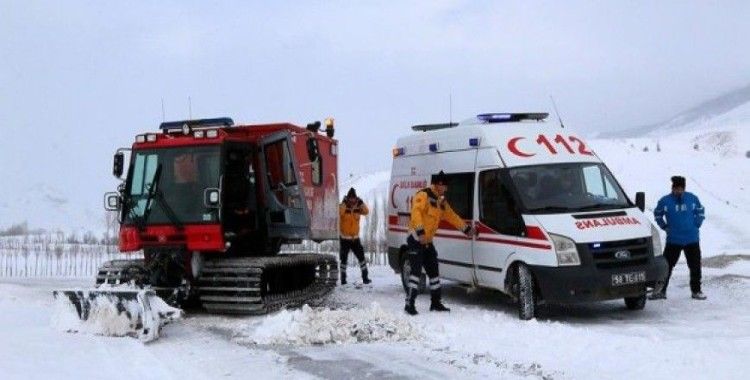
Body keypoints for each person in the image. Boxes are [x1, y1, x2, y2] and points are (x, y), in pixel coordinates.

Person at [404, 171, 477, 315]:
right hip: (416, 240)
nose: (447, 189)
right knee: (416, 273)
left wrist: (467, 229)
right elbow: (416, 213)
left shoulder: (440, 202)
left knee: (434, 272)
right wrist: (420, 232)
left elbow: (452, 216)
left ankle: (435, 303)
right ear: (439, 185)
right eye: (445, 186)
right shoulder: (423, 195)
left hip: (427, 242)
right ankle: (409, 304)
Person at [650, 175, 706, 300]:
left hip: (692, 239)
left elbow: (700, 211)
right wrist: (664, 226)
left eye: (681, 189)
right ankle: (660, 291)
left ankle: (696, 291)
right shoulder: (665, 201)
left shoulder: (692, 198)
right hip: (673, 240)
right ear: (672, 188)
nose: (678, 191)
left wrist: (697, 224)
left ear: (684, 189)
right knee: (666, 267)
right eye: (676, 189)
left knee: (695, 266)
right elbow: (657, 214)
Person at [339, 188, 370, 285]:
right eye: (350, 198)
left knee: (361, 258)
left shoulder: (358, 207)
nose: (352, 200)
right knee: (343, 259)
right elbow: (339, 212)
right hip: (344, 238)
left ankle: (365, 277)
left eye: (354, 198)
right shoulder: (343, 206)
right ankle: (343, 279)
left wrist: (361, 203)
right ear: (348, 198)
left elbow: (366, 211)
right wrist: (344, 203)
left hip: (355, 239)